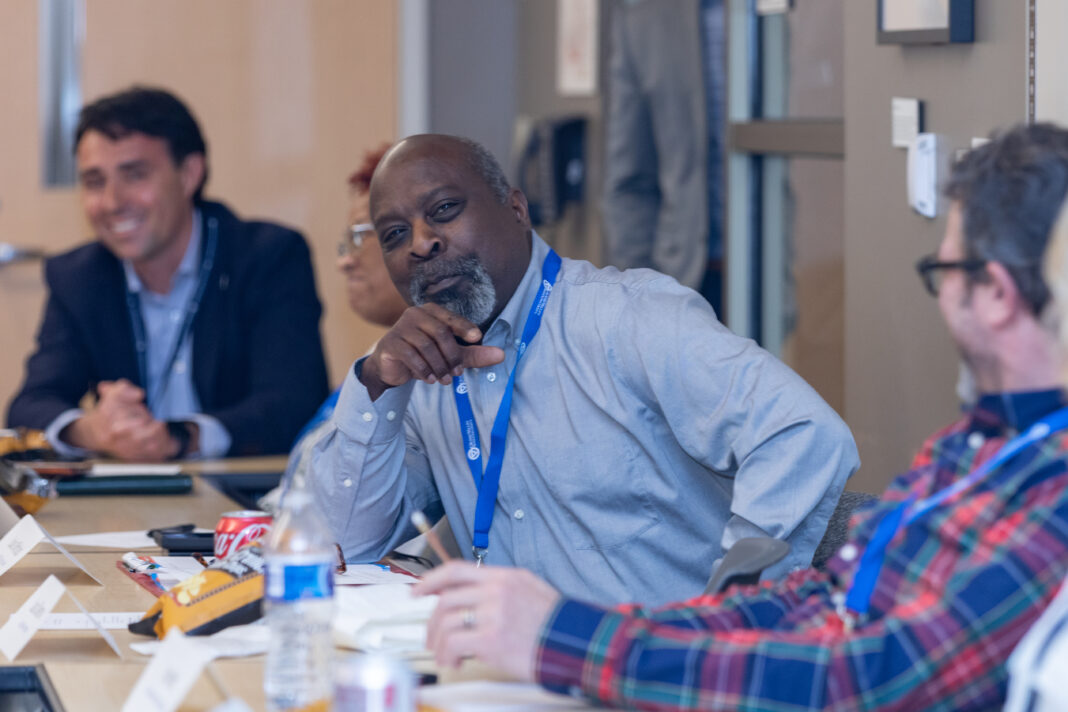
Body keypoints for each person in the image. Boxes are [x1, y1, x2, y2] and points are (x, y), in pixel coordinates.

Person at [413, 123, 1068, 710]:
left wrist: (568, 640)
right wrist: (579, 630)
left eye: (943, 270)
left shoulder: (1052, 498)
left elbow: (865, 682)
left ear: (998, 296)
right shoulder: (975, 447)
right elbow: (822, 602)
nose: (939, 294)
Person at [308, 133, 858, 607]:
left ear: (516, 209)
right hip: (510, 677)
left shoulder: (630, 319)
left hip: (652, 680)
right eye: (395, 235)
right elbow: (348, 543)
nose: (422, 243)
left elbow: (804, 434)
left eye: (446, 210)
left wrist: (730, 613)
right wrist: (378, 381)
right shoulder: (422, 372)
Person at [6, 86, 329, 460]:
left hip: (245, 501)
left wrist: (181, 438)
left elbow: (292, 404)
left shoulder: (267, 257)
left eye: (135, 175)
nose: (112, 202)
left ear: (190, 174)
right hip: (127, 503)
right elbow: (29, 406)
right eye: (95, 182)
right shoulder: (79, 276)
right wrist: (91, 431)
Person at [602, 0, 724, 311]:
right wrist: (641, 294)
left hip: (761, 270)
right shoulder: (643, 17)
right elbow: (629, 181)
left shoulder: (768, 13)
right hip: (684, 277)